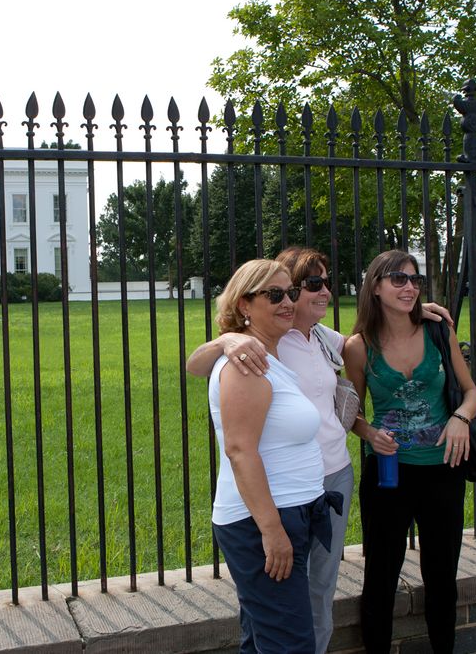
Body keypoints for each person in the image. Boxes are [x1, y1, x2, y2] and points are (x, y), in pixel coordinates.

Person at [188, 247, 451, 653]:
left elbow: (371, 342)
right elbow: (202, 376)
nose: (321, 291)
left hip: (327, 482)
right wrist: (227, 340)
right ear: (248, 303)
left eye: (320, 284)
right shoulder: (257, 349)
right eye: (309, 285)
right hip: (275, 501)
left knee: (315, 591)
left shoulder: (320, 338)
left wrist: (409, 306)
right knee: (283, 613)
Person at [343, 250, 476, 654]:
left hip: (443, 469)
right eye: (399, 279)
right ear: (376, 286)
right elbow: (352, 413)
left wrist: (460, 418)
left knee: (441, 575)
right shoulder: (358, 347)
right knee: (381, 576)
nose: (410, 288)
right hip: (389, 474)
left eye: (414, 280)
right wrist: (370, 434)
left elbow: (471, 392)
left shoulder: (437, 331)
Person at [206, 258, 342, 654]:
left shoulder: (268, 356)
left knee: (264, 640)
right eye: (275, 294)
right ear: (244, 304)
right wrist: (272, 531)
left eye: (291, 293)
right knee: (290, 645)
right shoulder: (245, 367)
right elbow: (240, 450)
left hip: (289, 512)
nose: (288, 302)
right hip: (262, 521)